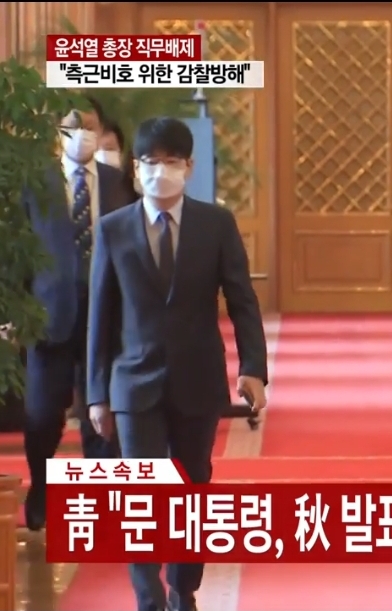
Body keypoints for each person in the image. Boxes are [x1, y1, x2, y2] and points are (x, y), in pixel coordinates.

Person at [85, 117, 269, 611]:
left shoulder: (216, 224)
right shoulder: (113, 229)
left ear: (189, 166)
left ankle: (182, 590)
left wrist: (253, 367)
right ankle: (147, 597)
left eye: (170, 161)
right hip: (133, 382)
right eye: (150, 162)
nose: (159, 171)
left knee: (192, 488)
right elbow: (100, 316)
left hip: (197, 378)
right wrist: (97, 394)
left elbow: (242, 299)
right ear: (135, 168)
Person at [21, 98, 129, 531]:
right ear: (57, 131)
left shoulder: (118, 182)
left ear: (101, 131)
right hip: (49, 313)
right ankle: (42, 489)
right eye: (73, 126)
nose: (82, 134)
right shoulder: (36, 183)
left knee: (100, 411)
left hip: (107, 314)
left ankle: (99, 499)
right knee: (42, 414)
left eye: (90, 126)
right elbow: (19, 251)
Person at [95, 117, 141, 205]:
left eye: (109, 149)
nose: (102, 154)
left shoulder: (132, 194)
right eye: (95, 150)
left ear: (121, 153)